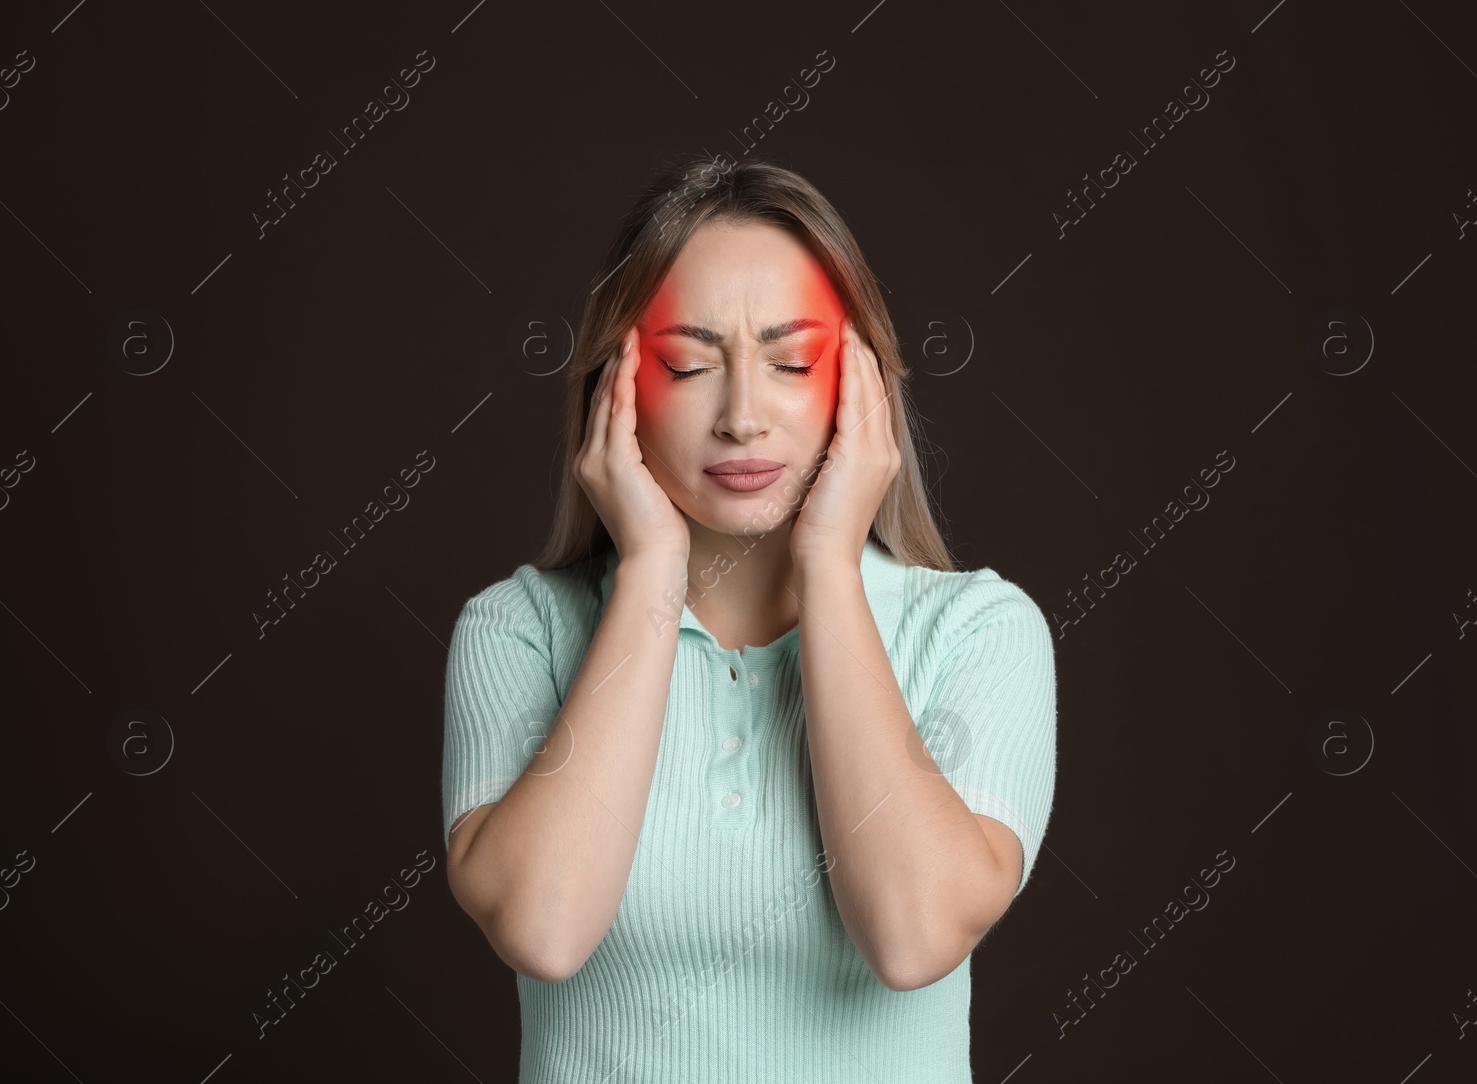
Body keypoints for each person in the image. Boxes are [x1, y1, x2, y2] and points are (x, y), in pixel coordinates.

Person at [441, 152, 1057, 1083]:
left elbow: (913, 937)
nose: (741, 416)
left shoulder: (978, 632)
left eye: (790, 360)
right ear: (619, 385)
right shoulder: (517, 631)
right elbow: (545, 928)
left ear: (861, 381)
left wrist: (827, 568)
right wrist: (651, 572)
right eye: (687, 365)